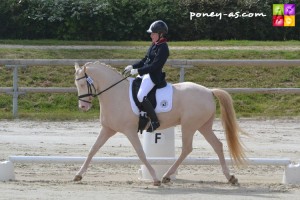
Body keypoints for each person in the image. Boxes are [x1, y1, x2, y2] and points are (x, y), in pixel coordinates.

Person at [124, 20, 169, 132]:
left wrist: (138, 71)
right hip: (146, 73)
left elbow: (154, 66)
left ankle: (154, 121)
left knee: (140, 95)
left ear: (160, 34)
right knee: (132, 87)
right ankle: (141, 114)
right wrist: (133, 67)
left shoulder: (163, 48)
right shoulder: (155, 44)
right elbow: (145, 59)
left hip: (153, 76)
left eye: (153, 33)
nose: (151, 35)